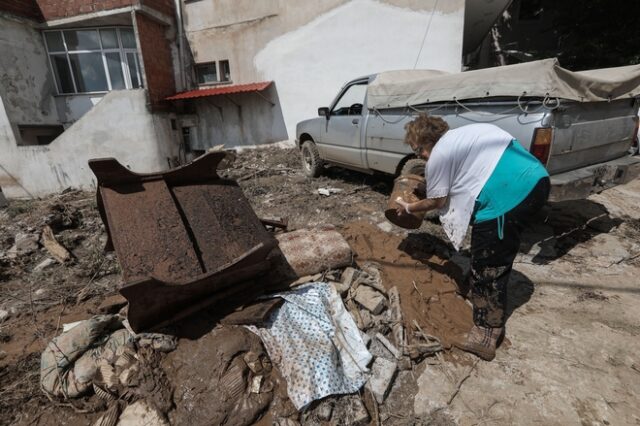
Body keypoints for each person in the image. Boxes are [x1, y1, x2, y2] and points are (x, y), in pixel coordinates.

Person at [395, 113, 550, 361]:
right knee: (491, 246)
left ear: (428, 143)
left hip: (508, 194)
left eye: (419, 151)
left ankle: (487, 333)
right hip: (536, 180)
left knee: (489, 263)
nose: (420, 157)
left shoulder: (441, 154)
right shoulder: (466, 135)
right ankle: (475, 286)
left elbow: (438, 201)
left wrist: (410, 207)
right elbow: (466, 175)